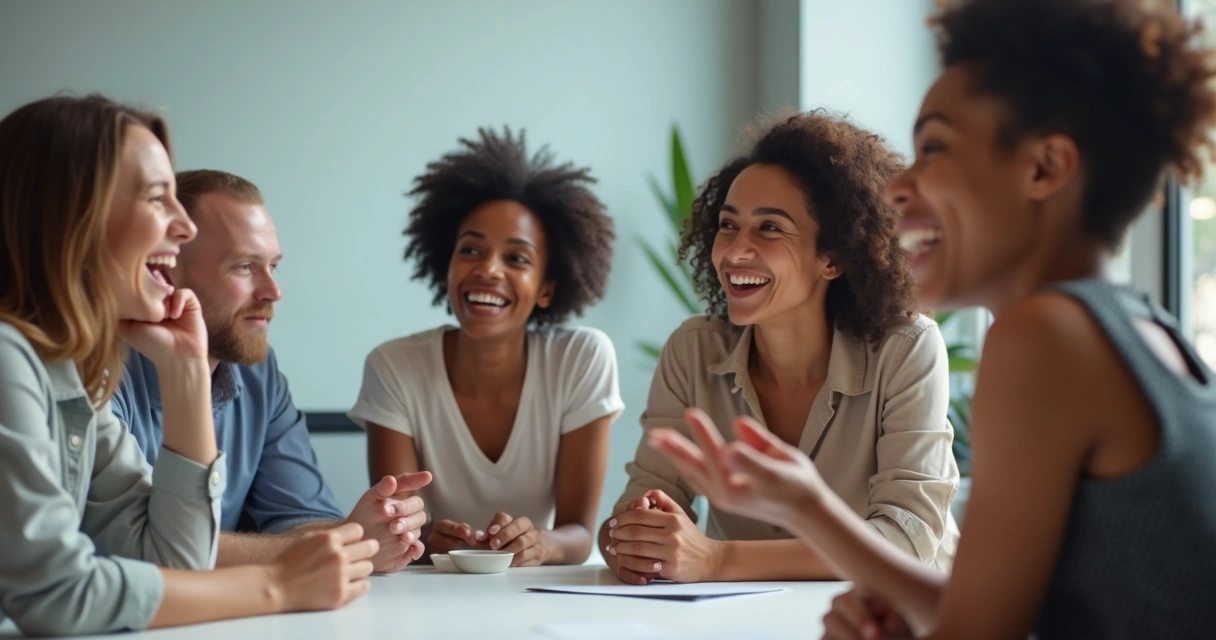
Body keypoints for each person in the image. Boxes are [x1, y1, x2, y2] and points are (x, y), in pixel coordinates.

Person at [646, 0, 1216, 638]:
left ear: (1044, 167)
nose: (896, 189)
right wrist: (830, 530)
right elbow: (994, 615)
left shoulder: (1045, 337)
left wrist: (798, 515)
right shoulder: (1135, 326)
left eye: (935, 149)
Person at [0, 95, 374, 636]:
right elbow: (57, 593)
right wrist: (279, 585)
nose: (181, 227)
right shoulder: (9, 355)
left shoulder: (68, 376)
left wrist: (187, 376)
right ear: (71, 217)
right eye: (158, 199)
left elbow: (172, 560)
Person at [602, 111, 960, 585]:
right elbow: (637, 509)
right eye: (728, 226)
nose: (734, 252)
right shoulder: (692, 350)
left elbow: (907, 541)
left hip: (895, 619)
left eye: (769, 229)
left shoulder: (907, 348)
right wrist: (633, 536)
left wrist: (715, 560)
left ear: (832, 256)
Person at [112, 170, 430, 573]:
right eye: (245, 266)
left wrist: (369, 532)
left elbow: (301, 517)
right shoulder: (101, 369)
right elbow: (135, 547)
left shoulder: (258, 372)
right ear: (166, 272)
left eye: (273, 266)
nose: (273, 291)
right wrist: (345, 542)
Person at [349, 127, 623, 567]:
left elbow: (578, 535)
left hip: (535, 593)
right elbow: (399, 530)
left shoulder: (581, 359)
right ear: (447, 265)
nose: (488, 270)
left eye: (516, 258)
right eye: (471, 250)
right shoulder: (394, 366)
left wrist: (540, 543)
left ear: (548, 288)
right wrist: (422, 542)